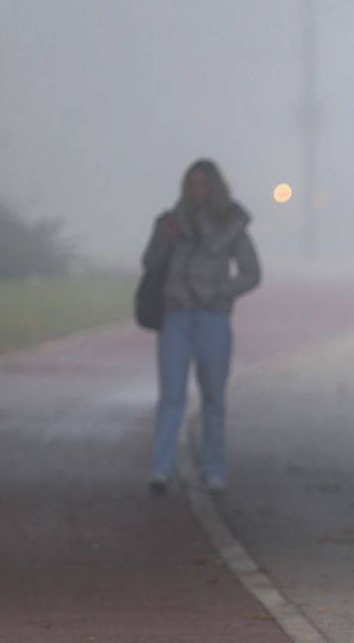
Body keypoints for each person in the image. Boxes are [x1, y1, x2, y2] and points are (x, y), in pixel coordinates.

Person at [141, 159, 260, 494]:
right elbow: (149, 263)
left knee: (213, 397)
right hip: (175, 315)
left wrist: (220, 292)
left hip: (213, 318)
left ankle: (214, 469)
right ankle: (161, 469)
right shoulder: (170, 222)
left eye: (204, 184)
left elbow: (252, 272)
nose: (197, 191)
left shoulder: (231, 226)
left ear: (215, 187)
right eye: (192, 184)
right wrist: (163, 239)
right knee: (171, 395)